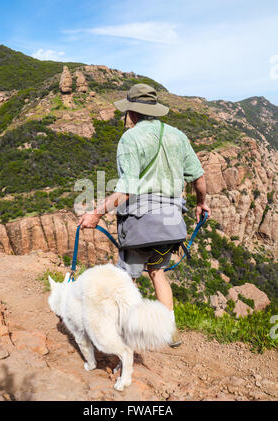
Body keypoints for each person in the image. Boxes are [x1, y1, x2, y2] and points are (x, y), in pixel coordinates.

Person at [78, 83, 210, 348]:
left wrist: (96, 214)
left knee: (127, 279)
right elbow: (199, 179)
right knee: (158, 273)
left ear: (132, 113)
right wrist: (201, 203)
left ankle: (126, 335)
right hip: (172, 223)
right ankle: (169, 333)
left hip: (141, 224)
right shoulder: (177, 136)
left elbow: (127, 190)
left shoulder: (130, 138)